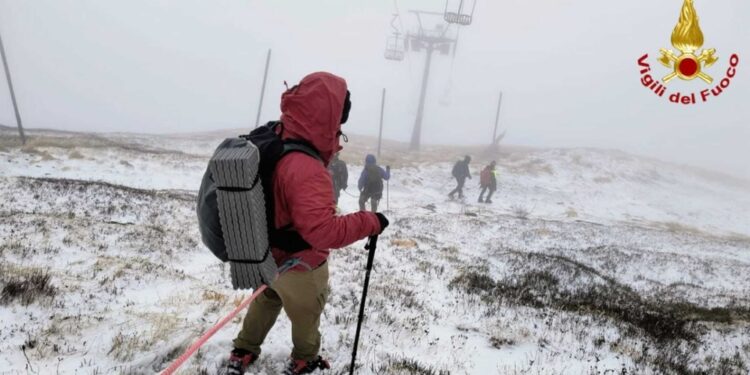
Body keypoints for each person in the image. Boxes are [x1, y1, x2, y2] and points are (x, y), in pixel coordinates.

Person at [226, 72, 389, 375]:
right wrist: (371, 221)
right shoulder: (306, 167)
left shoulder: (274, 136)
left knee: (266, 299)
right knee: (306, 313)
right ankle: (305, 358)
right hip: (300, 264)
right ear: (329, 119)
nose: (339, 129)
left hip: (265, 255)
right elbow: (322, 232)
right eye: (338, 121)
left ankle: (244, 349)